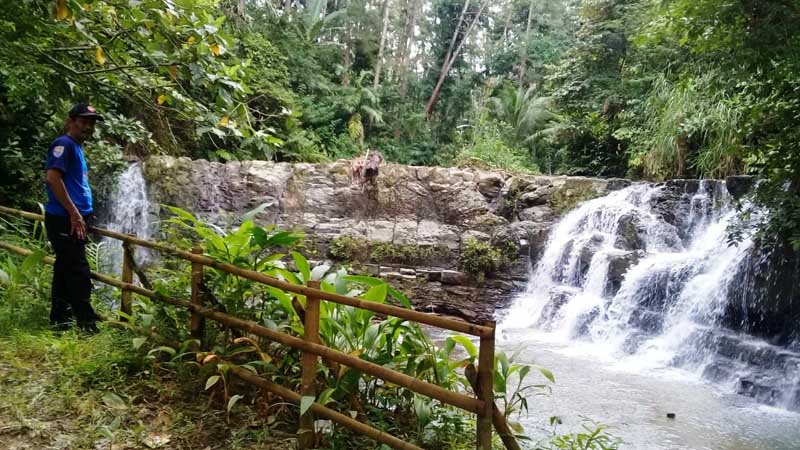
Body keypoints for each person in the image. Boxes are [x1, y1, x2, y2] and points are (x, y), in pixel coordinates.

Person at [44, 103, 104, 333]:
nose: (88, 126)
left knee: (64, 267)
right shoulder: (64, 145)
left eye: (92, 123)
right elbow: (53, 178)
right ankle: (86, 323)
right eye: (84, 121)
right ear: (71, 121)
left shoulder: (75, 147)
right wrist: (74, 213)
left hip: (72, 218)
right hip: (65, 219)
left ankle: (60, 319)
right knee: (78, 270)